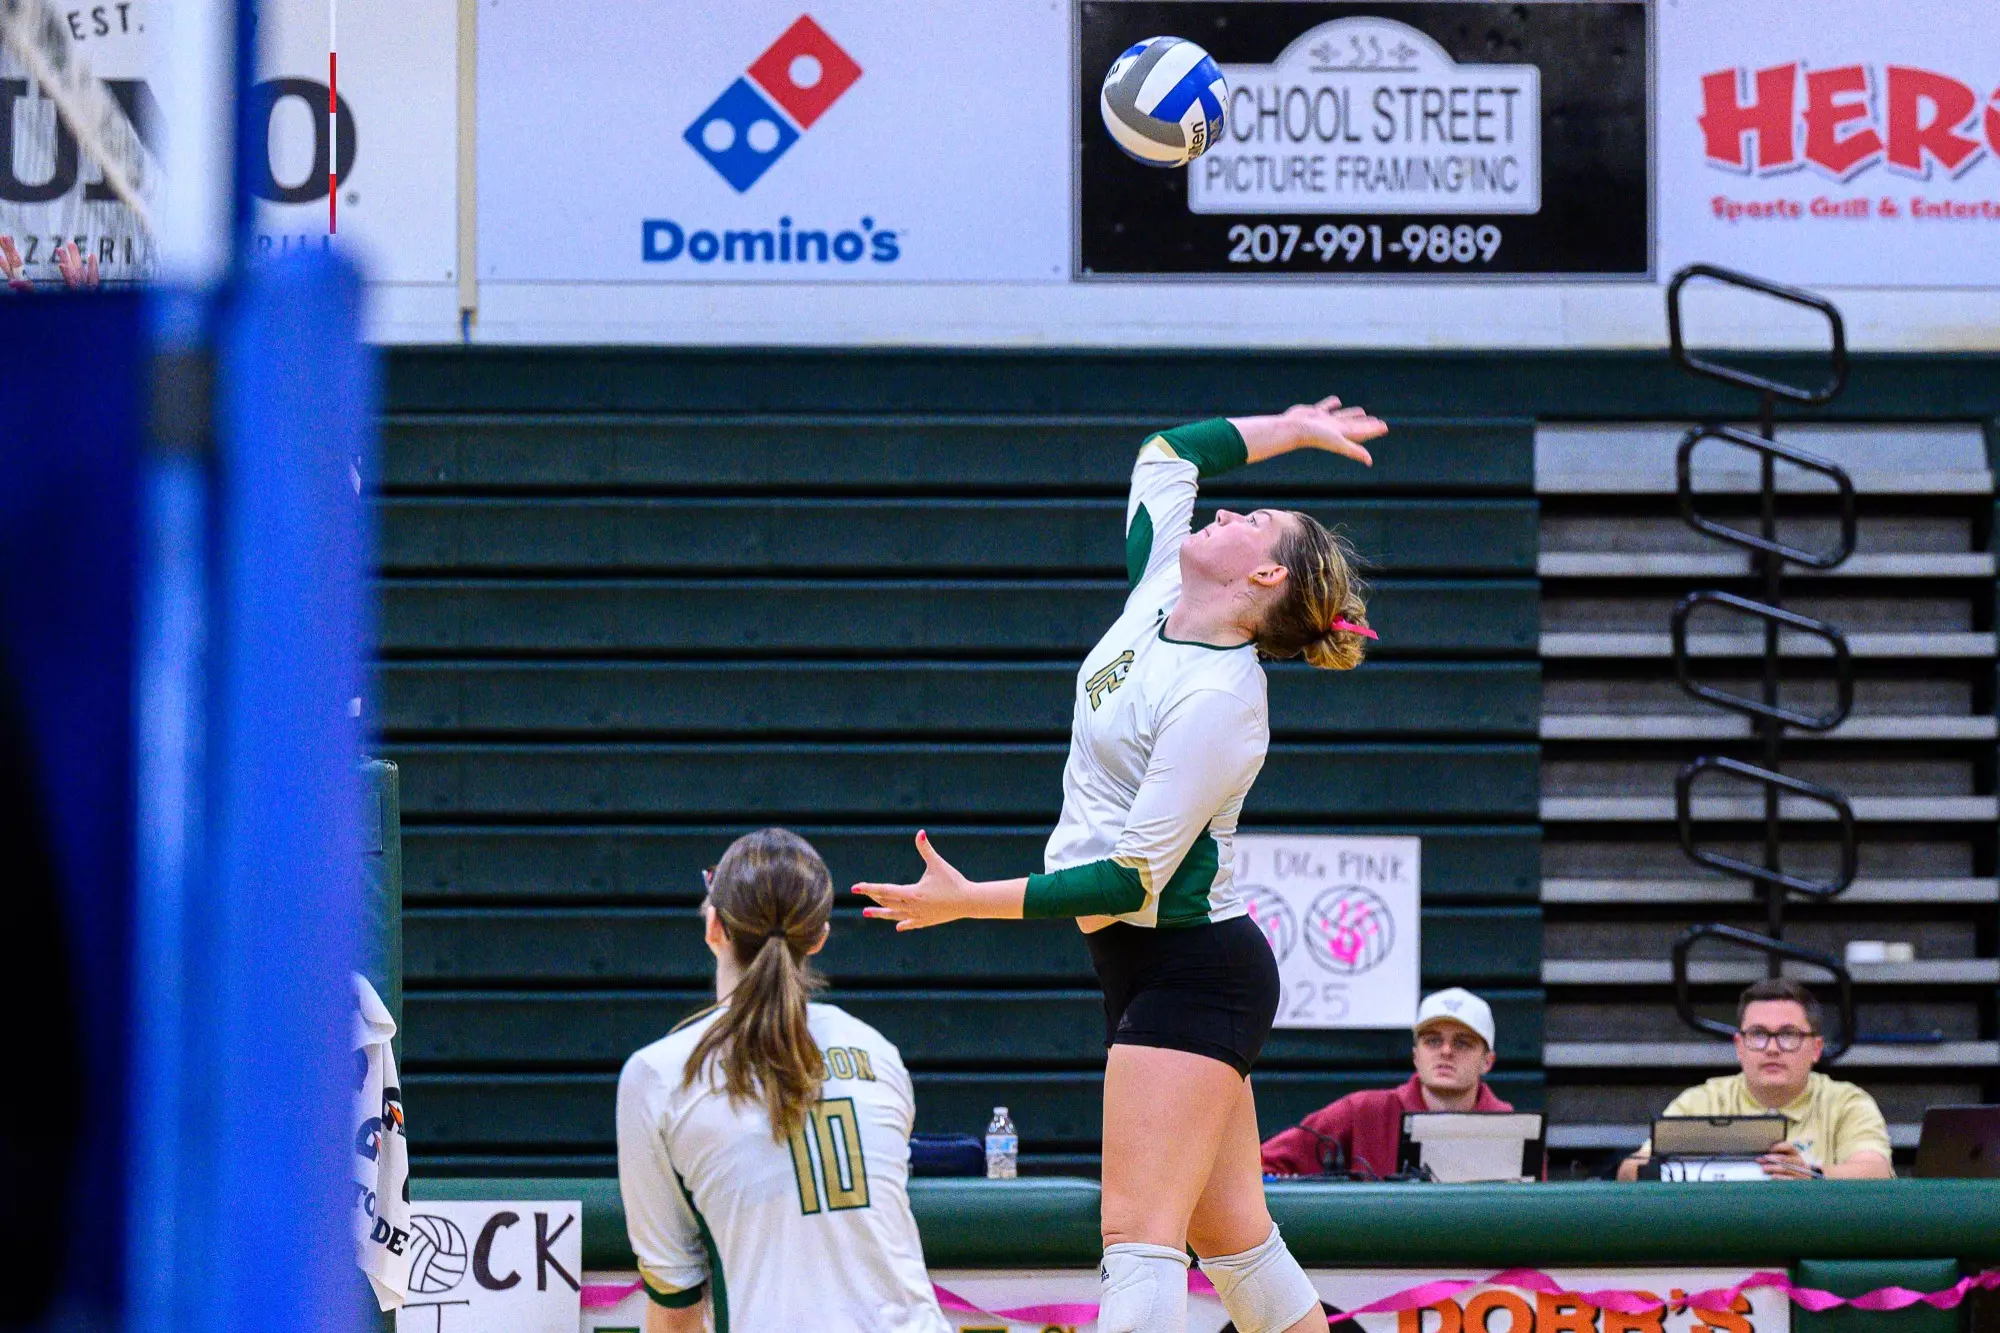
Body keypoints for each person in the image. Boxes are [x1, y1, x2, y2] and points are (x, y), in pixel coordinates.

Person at [854, 399, 1387, 1333]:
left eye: (1254, 519)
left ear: (1263, 573)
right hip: (1151, 966)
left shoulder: (1222, 700)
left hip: (1193, 970)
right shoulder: (1160, 589)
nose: (1229, 511)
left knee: (1138, 1243)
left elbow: (1130, 879)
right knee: (1238, 1247)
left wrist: (967, 900)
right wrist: (1295, 425)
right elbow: (1171, 449)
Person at [617, 828, 951, 1333]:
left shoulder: (659, 1075)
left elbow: (675, 1302)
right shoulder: (877, 1052)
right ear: (818, 937)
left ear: (713, 927)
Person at [1617, 977, 1894, 1180]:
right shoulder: (1702, 1100)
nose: (1772, 1048)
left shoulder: (1846, 1101)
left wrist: (1809, 1175)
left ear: (1816, 1048)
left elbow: (1876, 1171)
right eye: (1759, 1035)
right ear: (1739, 1046)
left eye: (1788, 1035)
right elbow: (1631, 1170)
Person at [1260, 988, 1512, 1178]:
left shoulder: (1512, 1128)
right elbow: (1262, 1165)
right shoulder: (1361, 1112)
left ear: (1487, 1061)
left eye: (1462, 1042)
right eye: (1432, 1041)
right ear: (1416, 1055)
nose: (1446, 1051)